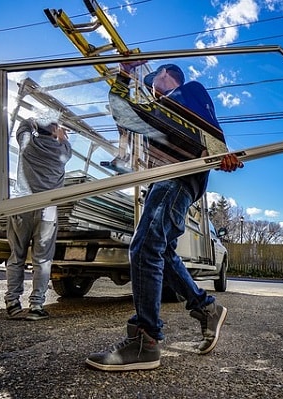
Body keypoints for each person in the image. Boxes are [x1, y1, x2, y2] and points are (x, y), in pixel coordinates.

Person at [86, 63, 243, 371]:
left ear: (166, 74)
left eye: (152, 79)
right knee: (162, 252)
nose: (150, 85)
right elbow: (120, 110)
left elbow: (208, 124)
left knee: (144, 247)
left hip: (179, 177)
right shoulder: (154, 112)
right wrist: (123, 75)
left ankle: (146, 339)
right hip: (164, 180)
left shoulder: (187, 91)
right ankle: (205, 308)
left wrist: (221, 153)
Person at [4, 117, 72, 321]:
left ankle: (12, 302)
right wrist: (60, 135)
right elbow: (65, 143)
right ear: (54, 132)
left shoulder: (27, 144)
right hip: (47, 210)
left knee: (16, 256)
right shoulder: (62, 151)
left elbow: (23, 126)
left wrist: (36, 121)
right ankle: (36, 305)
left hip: (21, 206)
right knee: (42, 260)